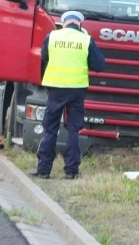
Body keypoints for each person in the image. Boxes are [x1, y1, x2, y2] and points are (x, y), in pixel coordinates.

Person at [31, 11, 105, 179]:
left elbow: (43, 56)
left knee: (50, 129)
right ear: (79, 24)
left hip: (56, 89)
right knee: (73, 129)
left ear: (63, 23)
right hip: (76, 90)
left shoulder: (53, 36)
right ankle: (71, 171)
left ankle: (43, 170)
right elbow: (100, 65)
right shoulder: (86, 40)